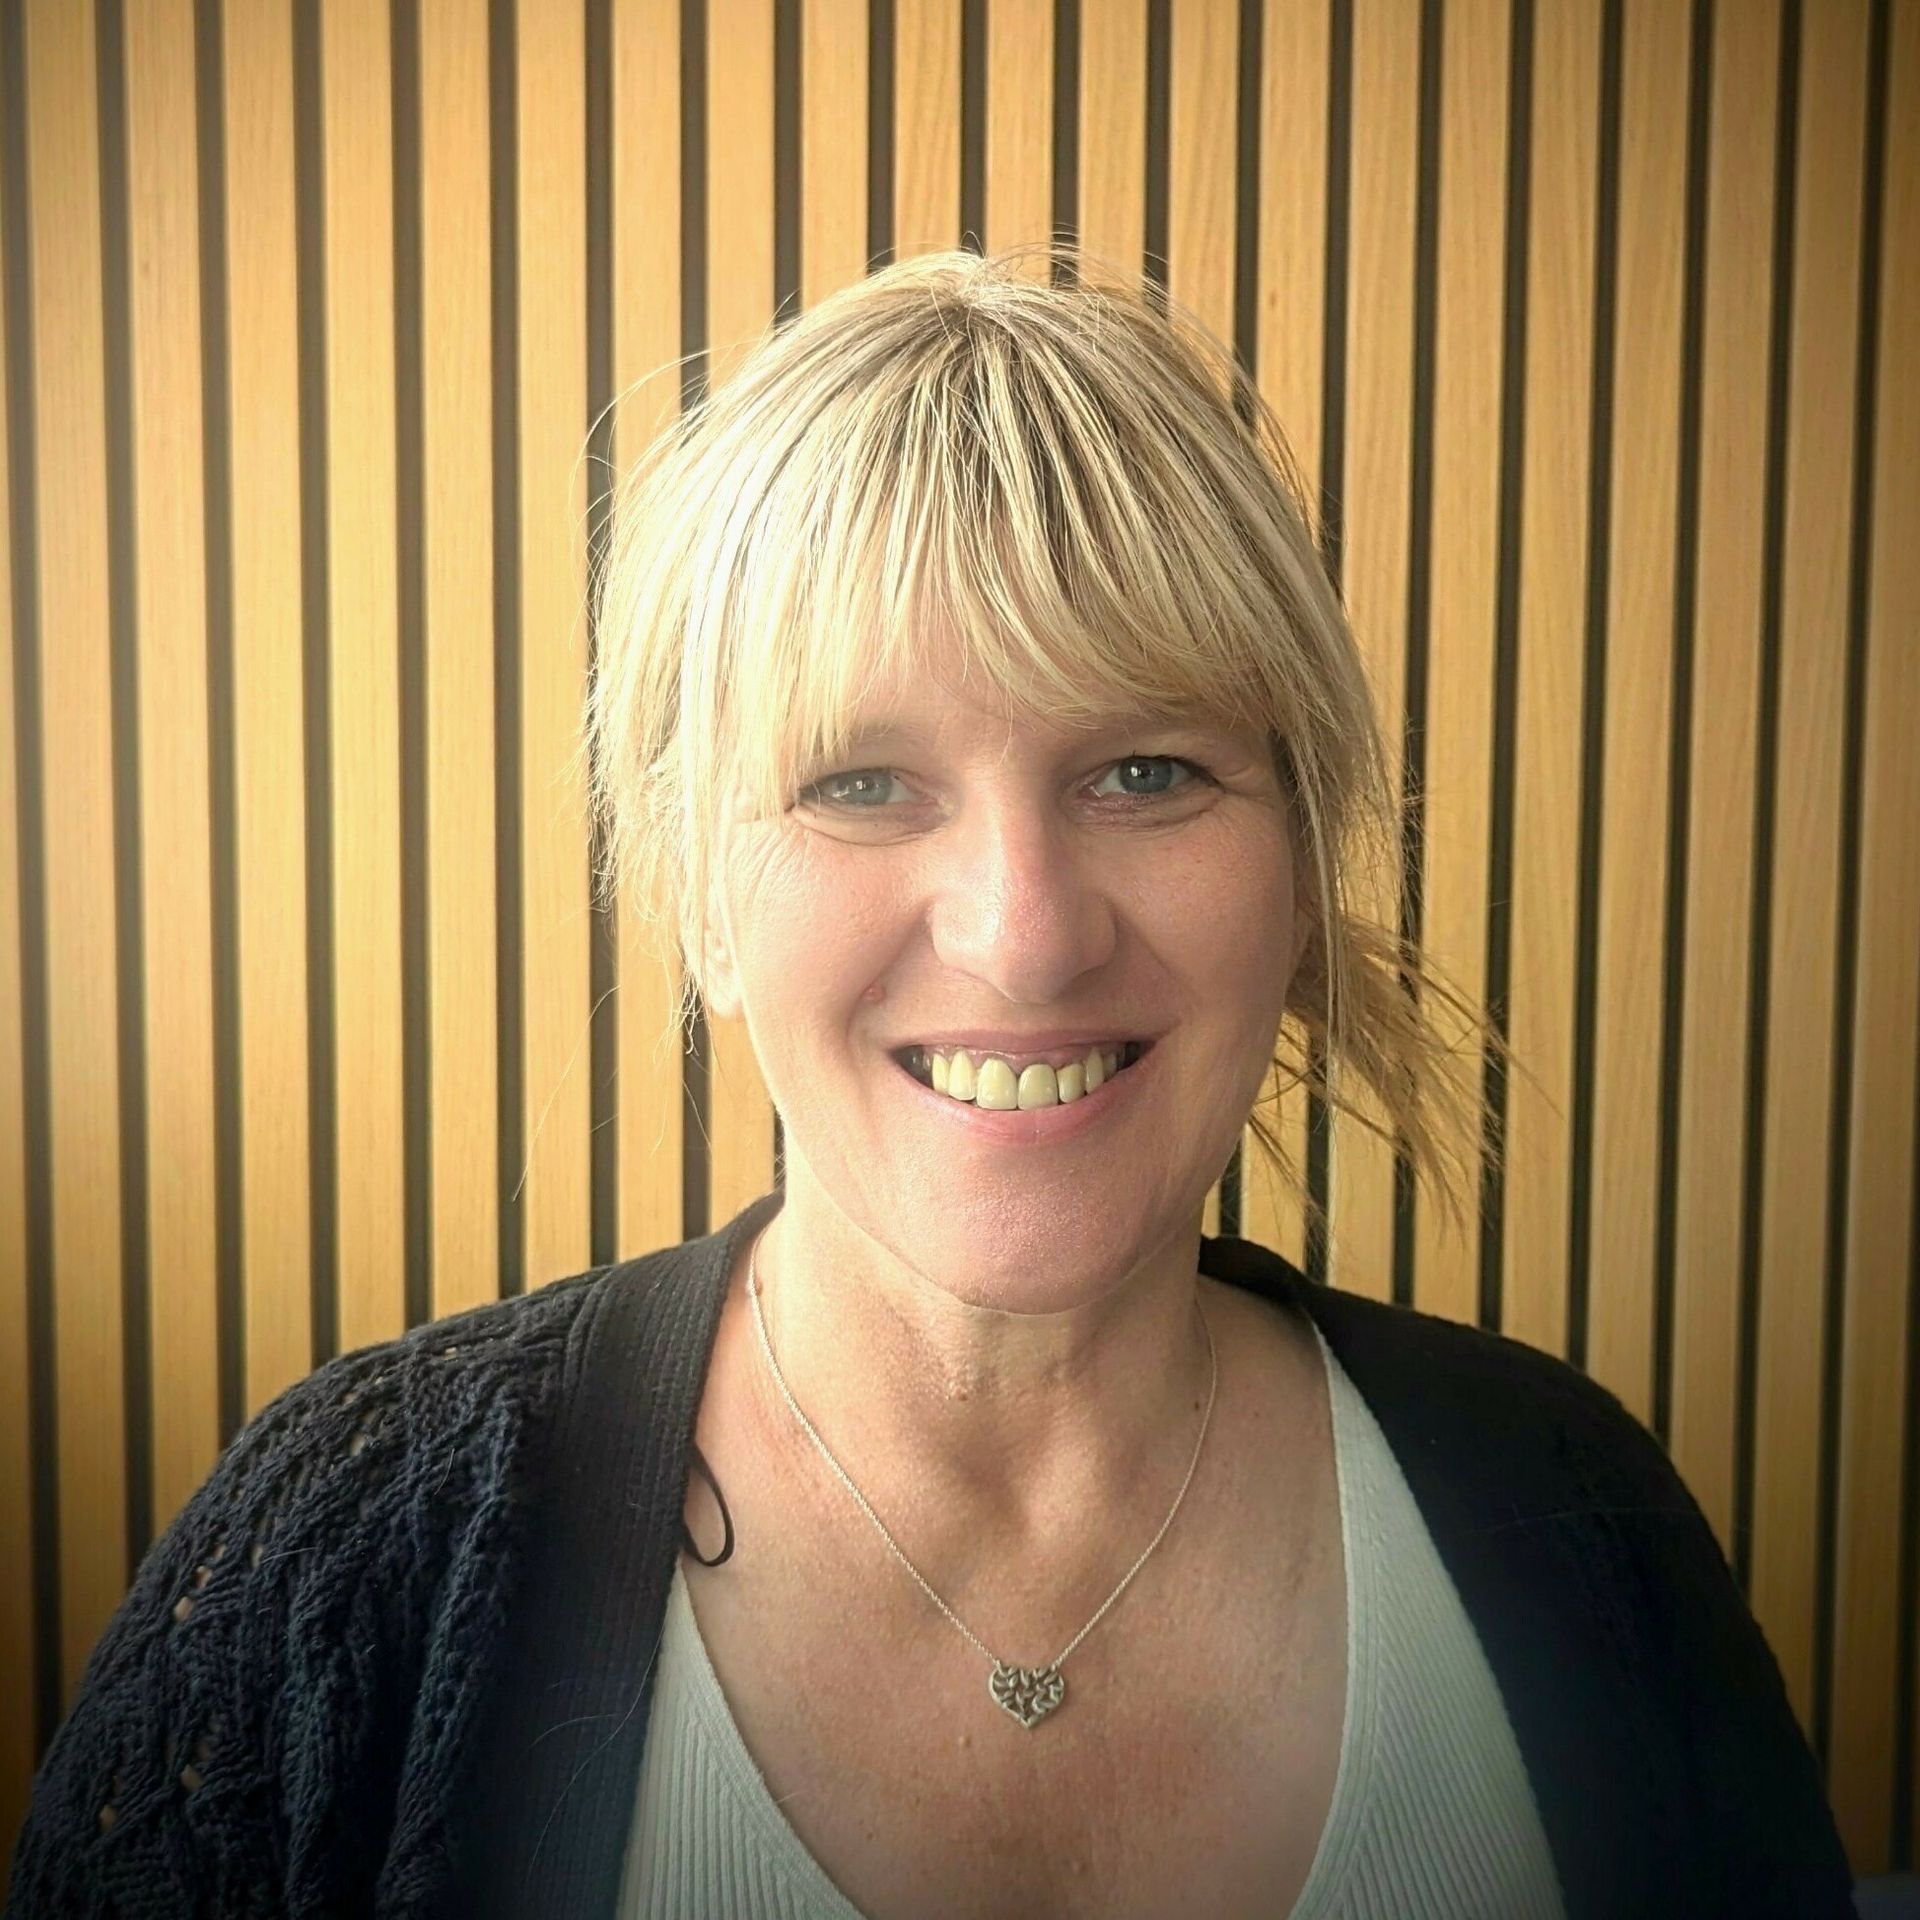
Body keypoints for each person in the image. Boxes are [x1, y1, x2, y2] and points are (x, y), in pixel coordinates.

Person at [5, 244, 1854, 1920]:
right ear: (700, 899)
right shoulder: (338, 1564)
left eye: (1146, 770)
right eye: (861, 783)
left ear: (1299, 870)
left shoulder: (1583, 1521)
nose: (1024, 937)